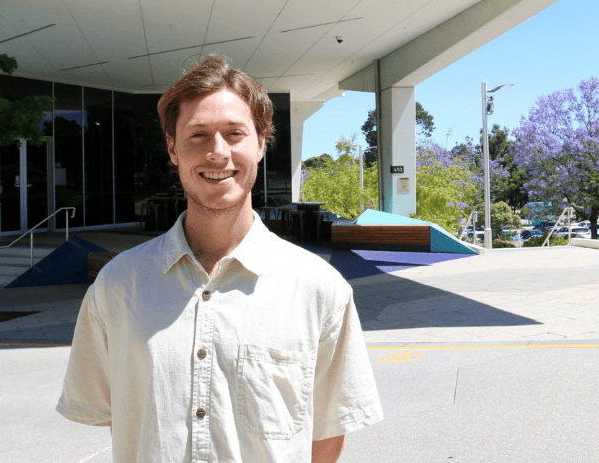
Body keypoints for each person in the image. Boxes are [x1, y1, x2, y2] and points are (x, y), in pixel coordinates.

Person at [57, 55, 382, 463]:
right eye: (198, 135)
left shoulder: (318, 288)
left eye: (234, 134)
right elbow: (114, 415)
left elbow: (328, 434)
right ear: (173, 149)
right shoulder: (119, 284)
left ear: (261, 144)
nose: (217, 152)